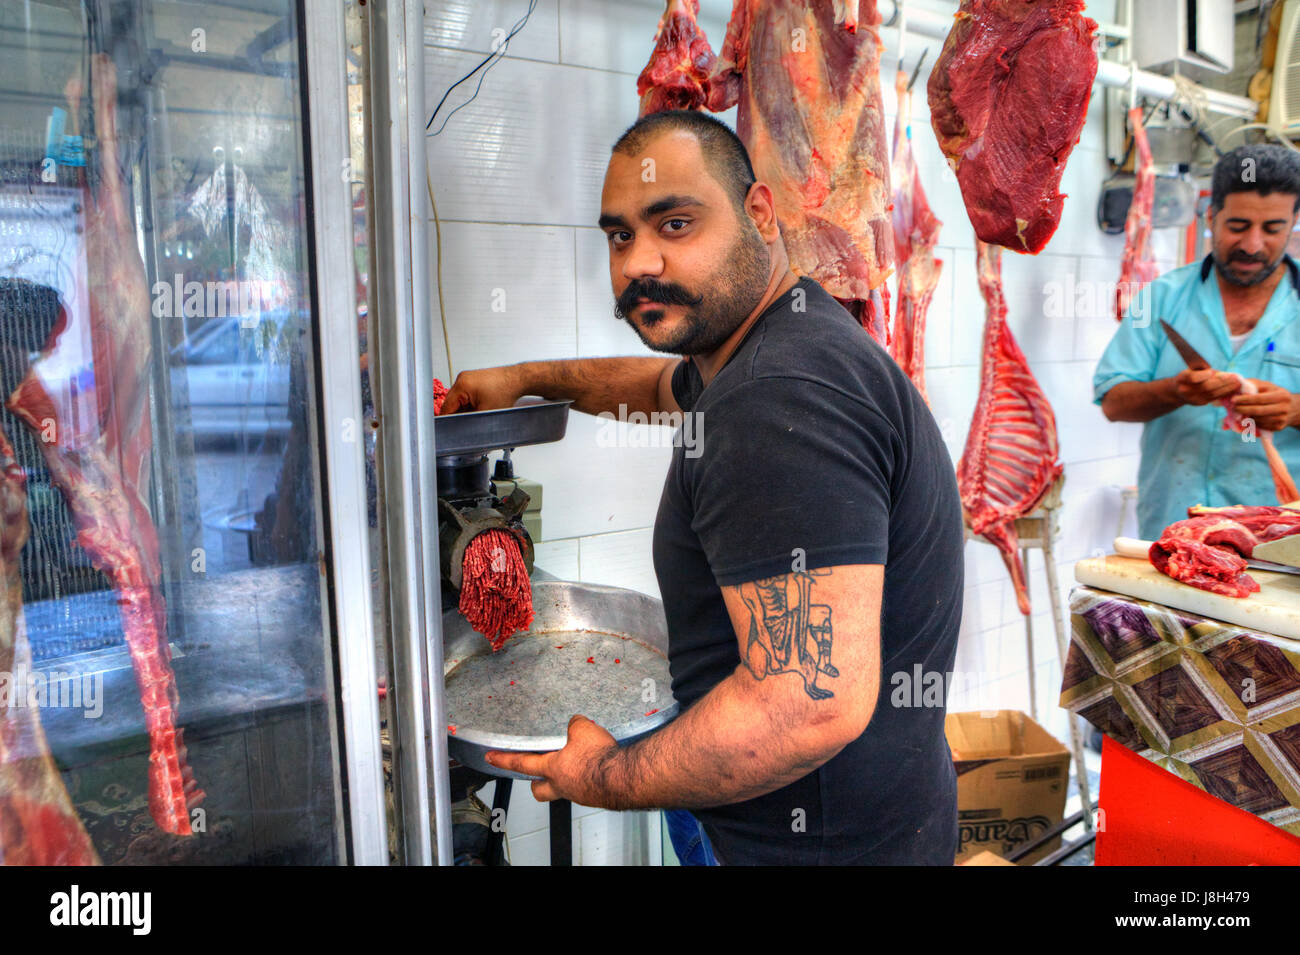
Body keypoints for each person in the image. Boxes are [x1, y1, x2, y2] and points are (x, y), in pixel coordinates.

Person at [448, 110, 964, 865]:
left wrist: (604, 775)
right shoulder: (775, 343)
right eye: (620, 236)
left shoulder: (774, 394)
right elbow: (662, 387)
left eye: (676, 223)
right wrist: (527, 381)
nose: (638, 263)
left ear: (759, 213)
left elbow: (807, 705)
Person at [1096, 144, 1300, 539]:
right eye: (1237, 226)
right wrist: (1176, 390)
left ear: (1293, 223)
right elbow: (1113, 401)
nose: (1252, 244)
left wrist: (1293, 410)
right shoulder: (1161, 298)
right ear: (1211, 216)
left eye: (1272, 229)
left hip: (1284, 543)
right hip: (1176, 531)